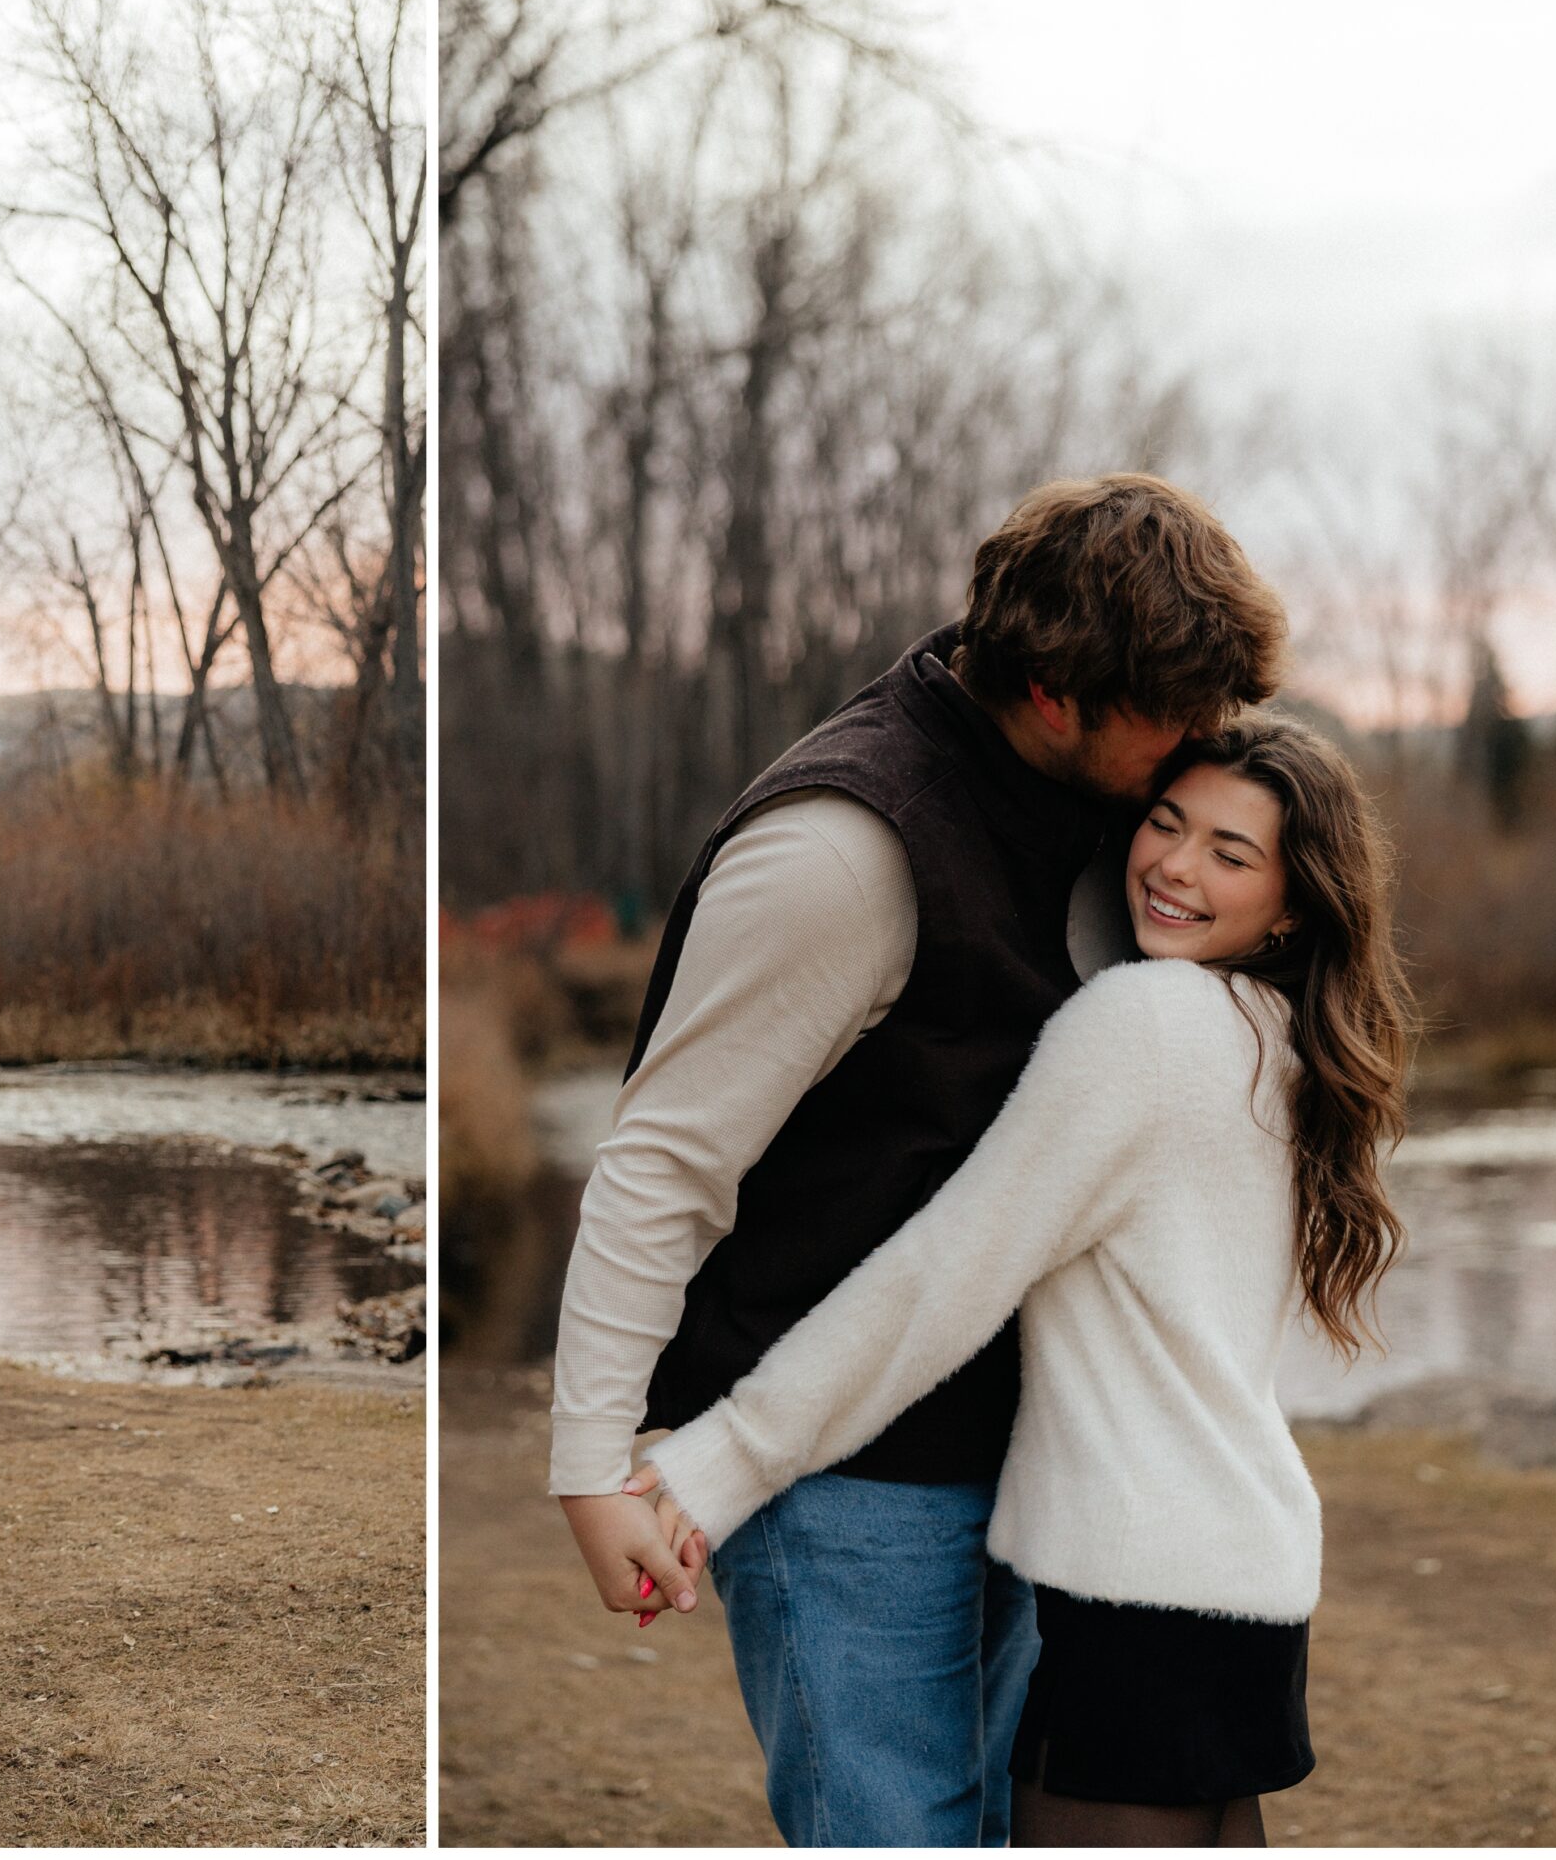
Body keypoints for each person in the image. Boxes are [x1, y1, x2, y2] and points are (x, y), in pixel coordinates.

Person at [550, 474, 1290, 1846]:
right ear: (1058, 694)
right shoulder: (845, 849)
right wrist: (593, 1466)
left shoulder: (1103, 808)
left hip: (1029, 1465)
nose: (1203, 745)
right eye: (1173, 719)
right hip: (844, 1489)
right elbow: (660, 1162)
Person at [627, 715, 1417, 1847]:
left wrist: (721, 1460)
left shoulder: (1143, 1027)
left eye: (1230, 855)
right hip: (1248, 1582)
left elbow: (943, 1278)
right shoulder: (1281, 1042)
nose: (1176, 867)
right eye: (1164, 822)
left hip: (1136, 1595)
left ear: (1289, 903)